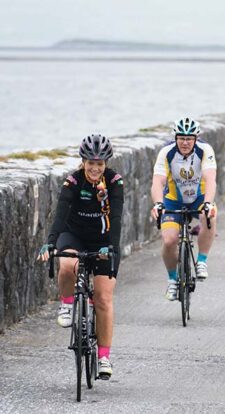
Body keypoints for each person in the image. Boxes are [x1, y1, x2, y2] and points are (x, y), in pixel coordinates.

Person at [37, 134, 123, 379]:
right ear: (83, 161)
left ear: (106, 163)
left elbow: (116, 218)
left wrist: (112, 248)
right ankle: (66, 304)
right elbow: (61, 213)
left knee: (104, 298)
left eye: (100, 163)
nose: (95, 168)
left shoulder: (114, 182)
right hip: (73, 234)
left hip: (103, 240)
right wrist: (50, 243)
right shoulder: (73, 181)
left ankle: (104, 357)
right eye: (90, 163)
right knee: (67, 265)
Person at [150, 117, 218, 301]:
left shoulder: (205, 151)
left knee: (209, 216)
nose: (185, 142)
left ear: (196, 138)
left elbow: (210, 179)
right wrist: (158, 203)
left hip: (199, 199)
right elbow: (158, 181)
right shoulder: (166, 152)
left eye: (189, 138)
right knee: (170, 240)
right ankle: (173, 280)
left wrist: (209, 203)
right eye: (181, 138)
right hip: (173, 201)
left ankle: (202, 261)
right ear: (175, 137)